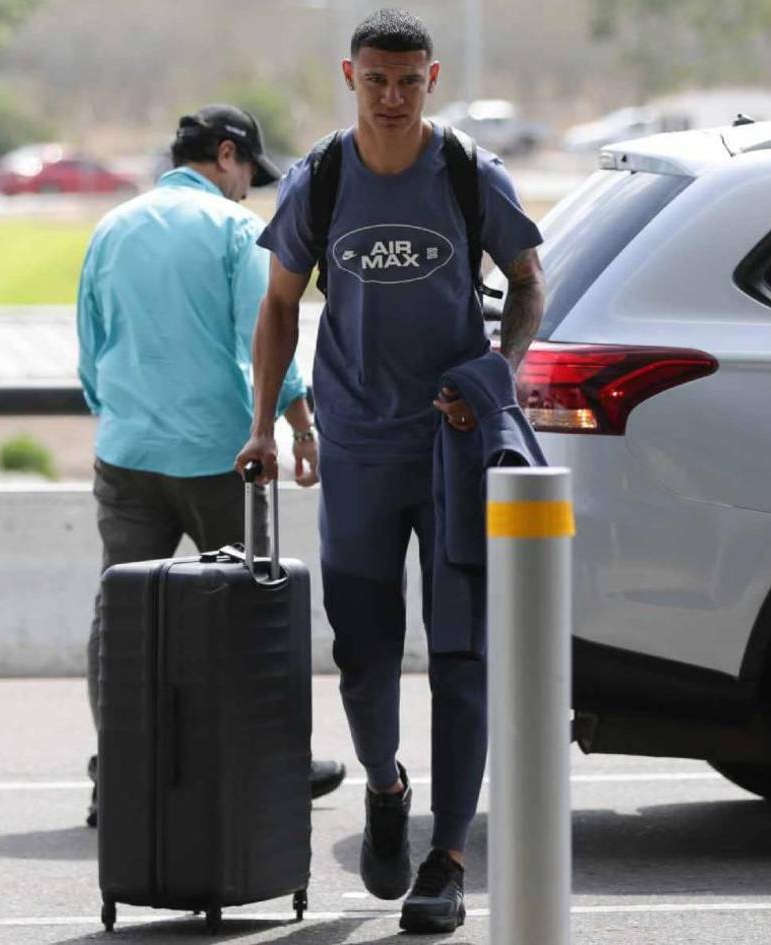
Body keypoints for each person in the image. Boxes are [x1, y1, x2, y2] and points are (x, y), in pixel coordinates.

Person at [236, 9, 546, 934]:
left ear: (433, 78)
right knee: (365, 657)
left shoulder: (466, 173)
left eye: (410, 80)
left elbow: (529, 281)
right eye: (377, 79)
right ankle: (384, 782)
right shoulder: (321, 180)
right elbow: (281, 305)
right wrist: (264, 424)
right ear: (350, 76)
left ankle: (447, 858)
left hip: (452, 453)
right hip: (360, 452)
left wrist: (494, 374)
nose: (394, 96)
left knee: (460, 655)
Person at [76, 104, 346, 829]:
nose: (247, 191)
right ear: (226, 155)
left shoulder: (112, 227)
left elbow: (89, 347)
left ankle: (118, 774)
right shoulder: (233, 232)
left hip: (126, 452)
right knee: (248, 611)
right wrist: (297, 424)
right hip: (217, 453)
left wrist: (126, 414)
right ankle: (274, 764)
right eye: (246, 176)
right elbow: (266, 332)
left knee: (122, 616)